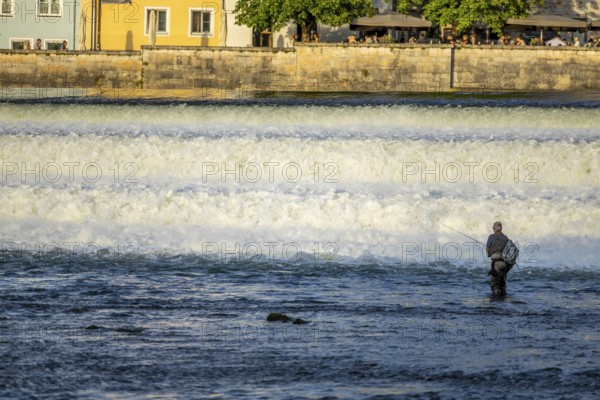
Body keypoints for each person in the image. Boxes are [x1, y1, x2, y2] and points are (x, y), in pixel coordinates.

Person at [485, 221, 514, 296]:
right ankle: (503, 299)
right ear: (501, 229)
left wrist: (490, 250)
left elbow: (487, 249)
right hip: (505, 263)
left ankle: (496, 302)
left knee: (495, 284)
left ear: (494, 228)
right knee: (502, 282)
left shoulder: (491, 236)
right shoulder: (506, 238)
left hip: (496, 263)